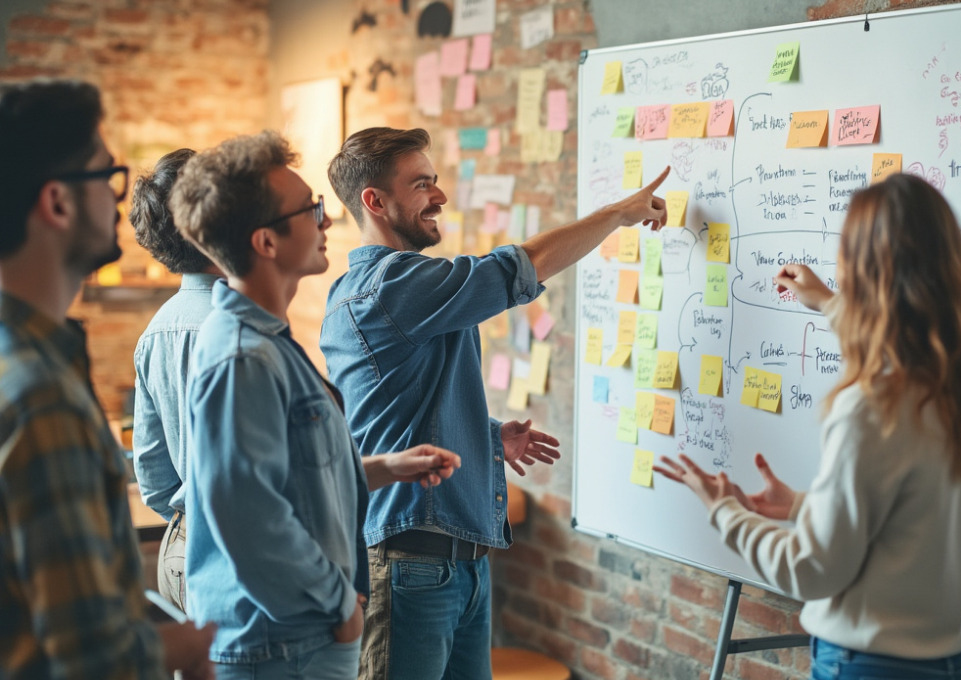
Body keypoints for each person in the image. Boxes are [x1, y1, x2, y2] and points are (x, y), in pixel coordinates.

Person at [322, 127, 668, 679]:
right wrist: (615, 215)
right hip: (414, 562)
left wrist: (482, 434)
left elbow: (398, 405)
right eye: (420, 185)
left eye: (434, 181)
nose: (438, 196)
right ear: (375, 202)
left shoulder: (377, 287)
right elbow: (517, 267)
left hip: (463, 561)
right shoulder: (394, 284)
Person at [658, 174, 961, 680]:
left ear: (865, 272)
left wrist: (724, 511)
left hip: (873, 665)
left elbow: (812, 569)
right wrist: (805, 507)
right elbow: (914, 528)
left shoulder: (869, 408)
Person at [169, 130, 463, 680]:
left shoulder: (268, 342)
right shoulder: (242, 358)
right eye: (312, 209)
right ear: (266, 242)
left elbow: (290, 479)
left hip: (296, 639)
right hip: (280, 646)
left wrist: (384, 468)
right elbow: (248, 516)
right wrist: (338, 605)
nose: (327, 220)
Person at [0, 79, 214, 679]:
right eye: (108, 177)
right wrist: (196, 645)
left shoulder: (31, 362)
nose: (123, 201)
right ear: (58, 202)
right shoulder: (40, 398)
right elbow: (97, 657)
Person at [131, 147, 222, 614]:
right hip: (234, 558)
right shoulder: (240, 328)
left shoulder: (157, 330)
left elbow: (153, 476)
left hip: (182, 550)